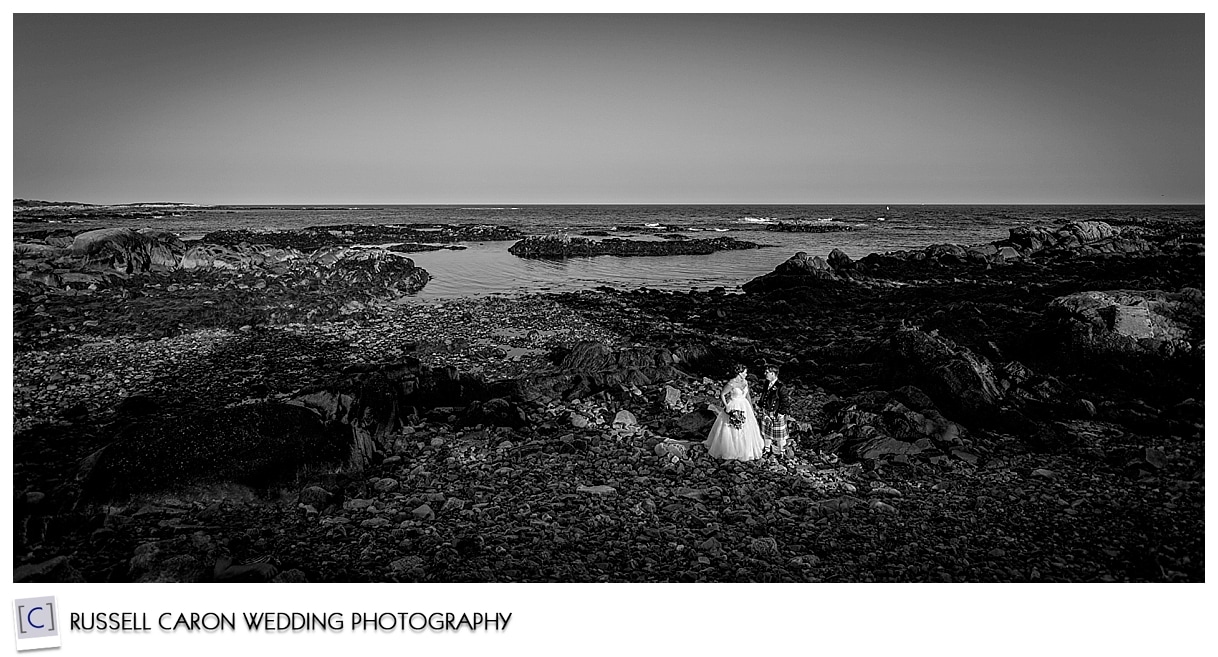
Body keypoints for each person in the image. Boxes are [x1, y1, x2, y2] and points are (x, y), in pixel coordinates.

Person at [703, 363, 765, 461]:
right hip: (734, 405)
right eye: (745, 372)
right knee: (732, 427)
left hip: (745, 406)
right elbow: (723, 394)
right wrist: (727, 406)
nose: (746, 374)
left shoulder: (745, 382)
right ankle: (733, 450)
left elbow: (747, 395)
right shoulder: (731, 383)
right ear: (739, 373)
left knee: (747, 426)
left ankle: (746, 449)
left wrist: (751, 408)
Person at [757, 363, 793, 458]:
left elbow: (785, 401)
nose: (765, 373)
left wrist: (781, 413)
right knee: (766, 433)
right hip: (766, 412)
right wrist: (761, 406)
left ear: (773, 374)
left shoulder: (781, 387)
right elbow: (764, 396)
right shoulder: (766, 383)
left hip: (776, 413)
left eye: (767, 372)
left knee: (780, 436)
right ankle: (767, 450)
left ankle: (782, 453)